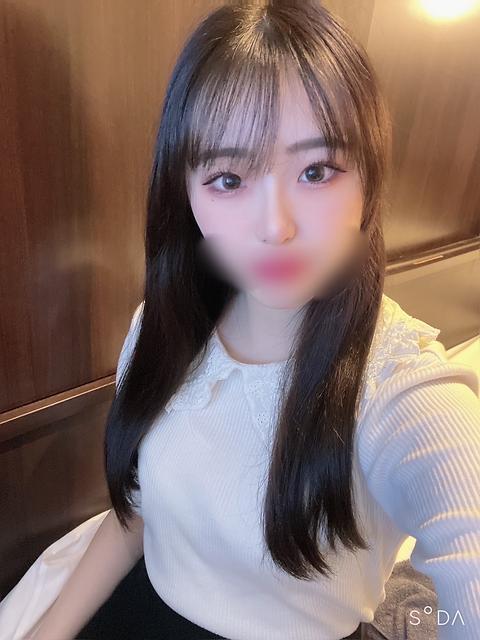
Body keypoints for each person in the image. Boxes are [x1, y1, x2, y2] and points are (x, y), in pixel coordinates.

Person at [26, 0, 480, 639]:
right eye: (228, 178)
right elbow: (137, 515)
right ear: (184, 191)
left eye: (316, 171)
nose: (275, 227)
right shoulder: (160, 329)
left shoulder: (400, 389)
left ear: (369, 179)